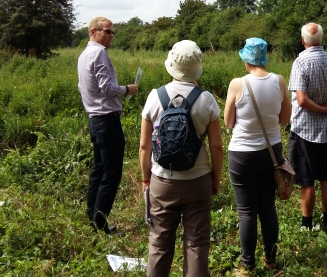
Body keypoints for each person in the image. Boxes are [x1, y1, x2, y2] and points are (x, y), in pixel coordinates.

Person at [139, 40, 223, 277]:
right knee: (196, 243)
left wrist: (147, 180)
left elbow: (145, 146)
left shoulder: (154, 97)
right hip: (198, 181)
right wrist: (215, 180)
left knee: (159, 242)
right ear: (197, 66)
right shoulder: (206, 99)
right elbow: (216, 146)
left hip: (162, 181)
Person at [224, 37, 291, 276]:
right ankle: (270, 259)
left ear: (247, 60)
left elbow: (229, 122)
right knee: (267, 207)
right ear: (264, 58)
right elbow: (285, 119)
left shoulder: (237, 84)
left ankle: (247, 264)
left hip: (242, 154)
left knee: (246, 211)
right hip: (271, 152)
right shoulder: (279, 81)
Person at [77, 16, 138, 235]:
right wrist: (127, 89)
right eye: (108, 31)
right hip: (107, 120)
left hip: (95, 119)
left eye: (113, 32)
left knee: (99, 169)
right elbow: (107, 87)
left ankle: (92, 217)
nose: (112, 36)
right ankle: (101, 225)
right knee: (111, 173)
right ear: (93, 32)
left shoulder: (84, 55)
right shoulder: (99, 53)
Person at [288, 23, 327, 233]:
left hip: (304, 130)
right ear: (322, 38)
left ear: (303, 41)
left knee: (307, 179)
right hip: (326, 131)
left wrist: (320, 109)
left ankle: (306, 225)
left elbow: (301, 100)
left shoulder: (300, 62)